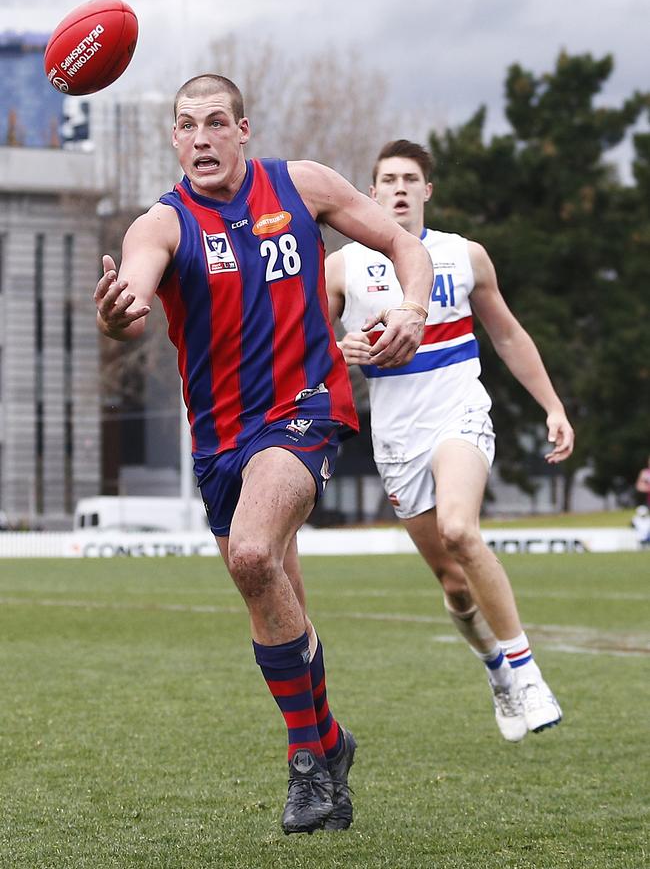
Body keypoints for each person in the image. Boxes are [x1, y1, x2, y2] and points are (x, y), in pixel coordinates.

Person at [93, 78, 433, 834]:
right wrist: (122, 314)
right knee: (281, 601)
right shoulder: (163, 224)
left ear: (243, 130)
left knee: (251, 556)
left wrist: (412, 308)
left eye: (217, 123)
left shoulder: (300, 185)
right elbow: (135, 298)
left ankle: (308, 766)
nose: (203, 139)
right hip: (219, 442)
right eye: (188, 127)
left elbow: (405, 246)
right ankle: (328, 744)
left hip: (304, 410)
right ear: (174, 140)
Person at [325, 139, 575, 744]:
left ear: (428, 191)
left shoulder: (464, 256)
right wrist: (340, 351)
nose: (401, 188)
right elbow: (302, 352)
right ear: (373, 191)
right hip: (397, 440)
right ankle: (496, 671)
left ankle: (527, 670)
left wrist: (553, 406)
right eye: (389, 180)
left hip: (460, 414)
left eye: (412, 179)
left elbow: (509, 335)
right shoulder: (342, 268)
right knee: (454, 585)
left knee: (462, 530)